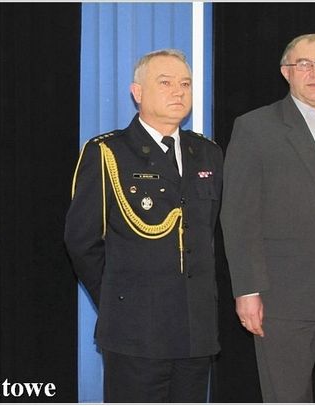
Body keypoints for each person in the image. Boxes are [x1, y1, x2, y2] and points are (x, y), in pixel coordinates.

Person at [64, 49, 223, 402]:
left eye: (185, 84)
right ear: (137, 92)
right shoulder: (108, 152)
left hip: (195, 332)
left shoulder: (208, 153)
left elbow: (207, 234)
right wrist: (120, 298)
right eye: (165, 83)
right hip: (135, 332)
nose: (178, 91)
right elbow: (82, 241)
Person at [220, 33, 315, 402]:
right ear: (286, 72)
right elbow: (239, 215)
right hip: (284, 299)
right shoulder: (256, 128)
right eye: (305, 64)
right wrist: (247, 290)